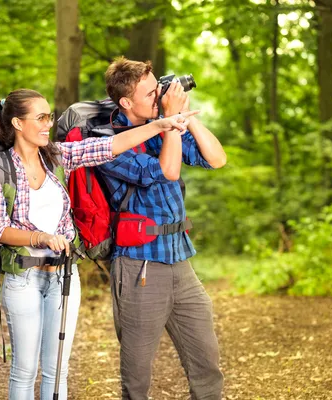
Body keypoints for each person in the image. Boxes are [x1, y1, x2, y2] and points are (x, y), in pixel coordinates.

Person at [0, 88, 196, 400]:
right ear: (17, 123)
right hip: (23, 277)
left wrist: (160, 125)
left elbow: (106, 146)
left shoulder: (57, 156)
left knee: (58, 368)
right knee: (25, 369)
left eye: (49, 116)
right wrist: (40, 238)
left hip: (63, 276)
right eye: (40, 117)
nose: (48, 124)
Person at [96, 56, 227, 399]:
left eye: (159, 88)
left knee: (206, 362)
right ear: (126, 102)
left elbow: (216, 158)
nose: (160, 95)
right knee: (137, 375)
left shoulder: (162, 124)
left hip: (180, 260)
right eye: (151, 92)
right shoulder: (110, 142)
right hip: (138, 265)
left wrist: (187, 119)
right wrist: (169, 121)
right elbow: (166, 171)